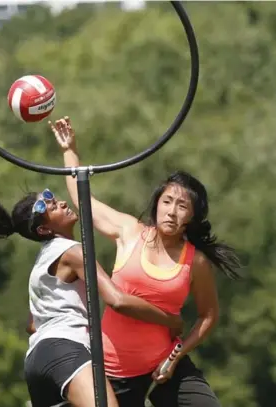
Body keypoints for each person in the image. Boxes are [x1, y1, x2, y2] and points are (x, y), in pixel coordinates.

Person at [50, 116, 242, 407]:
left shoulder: (195, 262)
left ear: (192, 217)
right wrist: (69, 150)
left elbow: (208, 316)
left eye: (182, 206)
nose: (172, 212)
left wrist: (175, 356)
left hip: (164, 363)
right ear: (157, 204)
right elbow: (81, 199)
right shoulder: (129, 232)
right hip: (113, 371)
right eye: (167, 202)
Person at [0, 186, 184, 407]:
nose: (63, 203)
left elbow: (32, 326)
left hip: (37, 362)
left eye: (56, 200)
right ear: (44, 230)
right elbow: (117, 300)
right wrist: (169, 319)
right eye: (53, 207)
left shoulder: (41, 263)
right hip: (65, 350)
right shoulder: (72, 252)